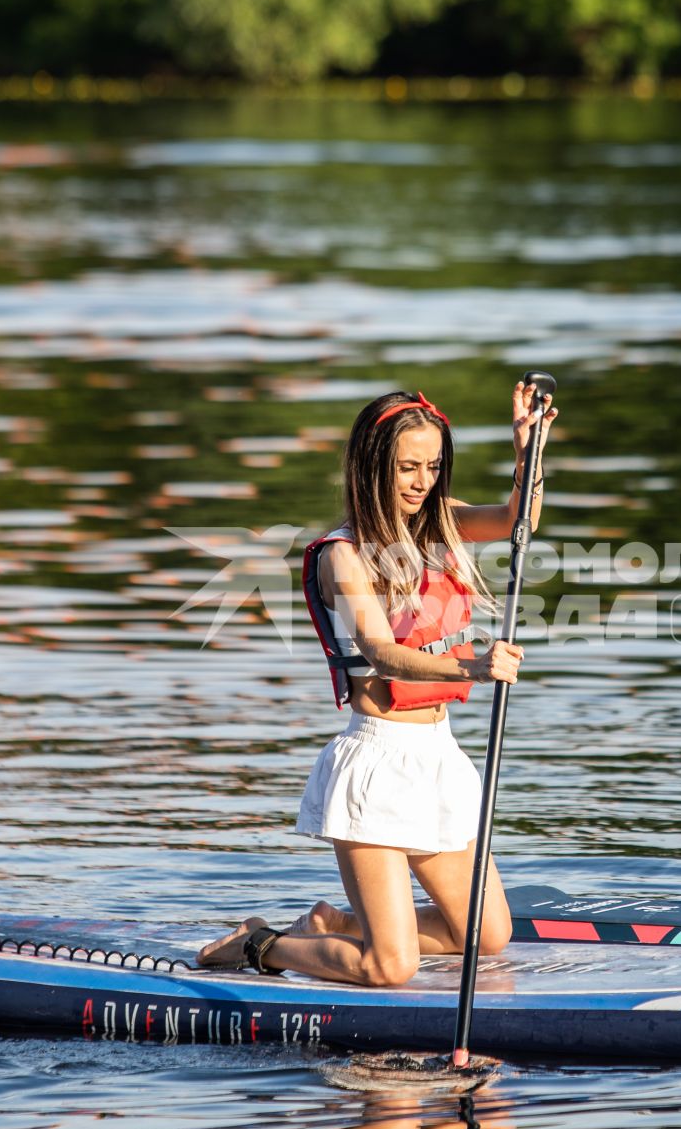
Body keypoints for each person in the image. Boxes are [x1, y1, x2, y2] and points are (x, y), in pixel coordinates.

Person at [198, 380, 557, 983]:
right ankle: (261, 945)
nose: (422, 482)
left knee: (487, 937)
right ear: (372, 468)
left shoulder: (440, 524)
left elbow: (520, 520)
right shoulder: (345, 554)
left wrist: (529, 451)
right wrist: (473, 666)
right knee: (390, 968)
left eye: (433, 467)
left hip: (439, 757)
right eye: (407, 468)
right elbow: (380, 651)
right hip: (379, 764)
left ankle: (335, 925)